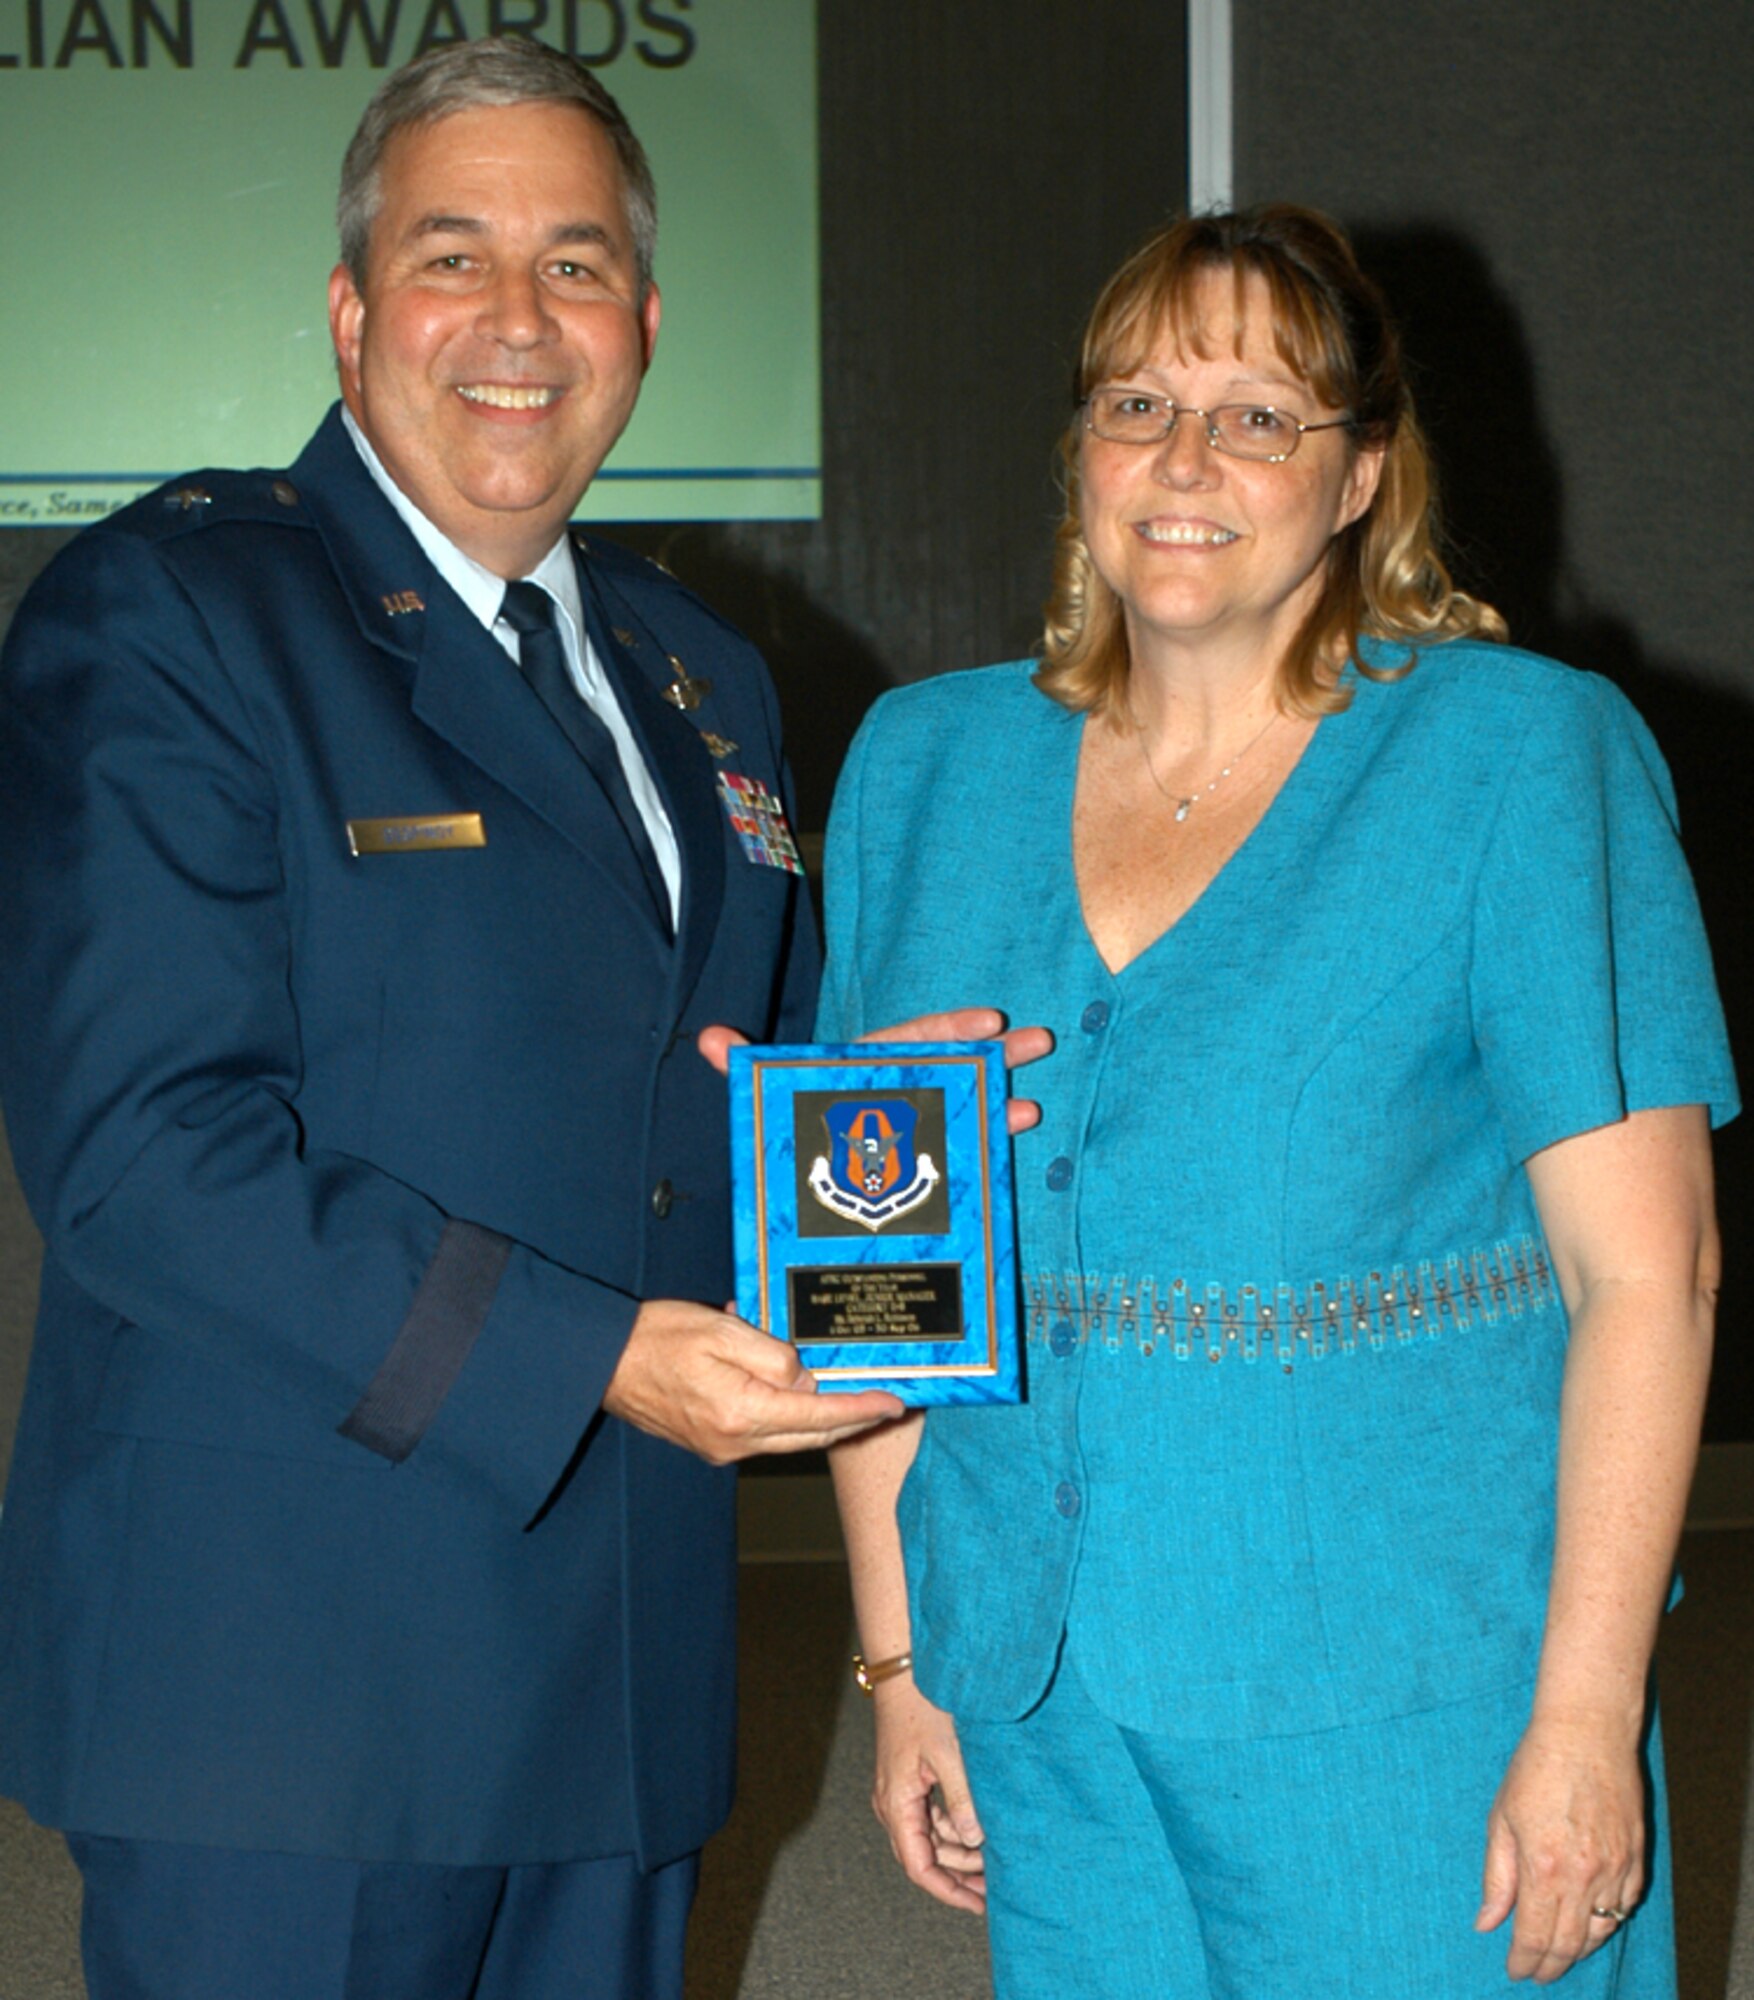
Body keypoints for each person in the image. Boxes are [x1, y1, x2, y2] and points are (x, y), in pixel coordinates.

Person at [0, 36, 925, 2000]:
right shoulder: (176, 617)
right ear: (351, 316)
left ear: (644, 326)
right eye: (453, 256)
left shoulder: (703, 677)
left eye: (575, 263)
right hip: (290, 1698)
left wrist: (885, 1132)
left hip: (612, 1678)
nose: (518, 317)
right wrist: (598, 1363)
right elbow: (143, 1160)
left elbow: (713, 1104)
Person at [820, 206, 1737, 1998]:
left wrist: (1583, 1722)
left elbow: (1648, 1278)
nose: (1183, 460)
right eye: (1136, 404)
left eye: (1256, 416)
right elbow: (876, 1270)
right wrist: (902, 1662)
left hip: (1404, 1695)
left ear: (1358, 477)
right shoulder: (923, 768)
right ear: (1079, 451)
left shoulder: (1514, 755)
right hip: (1037, 1696)